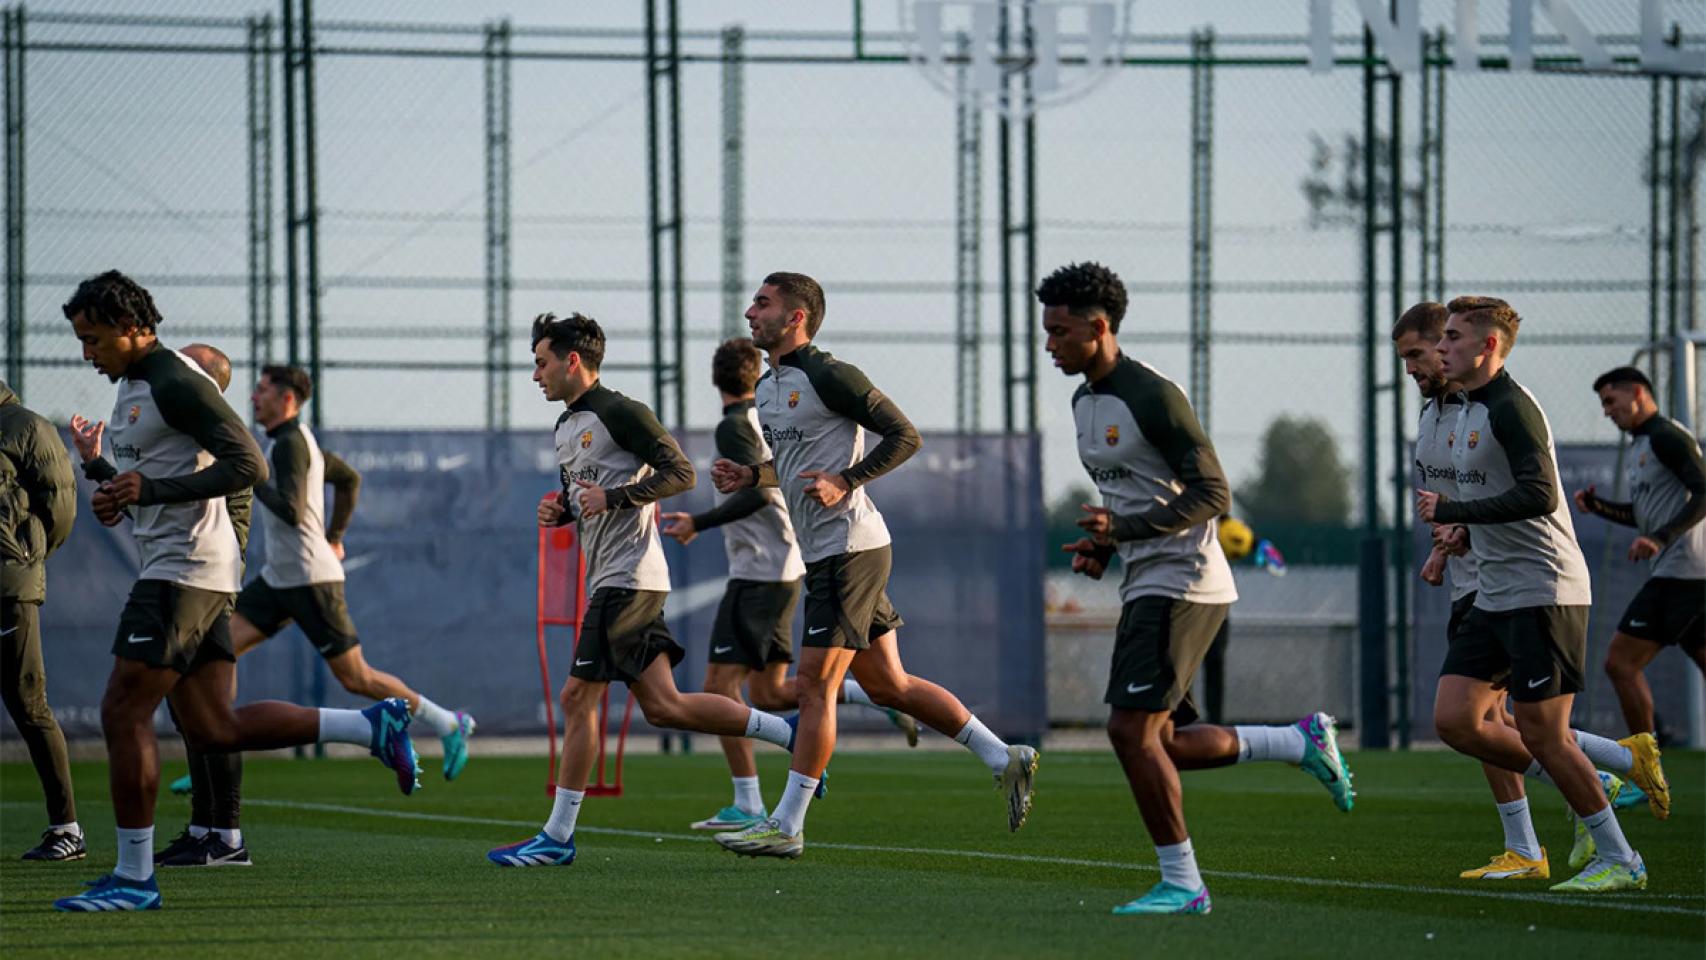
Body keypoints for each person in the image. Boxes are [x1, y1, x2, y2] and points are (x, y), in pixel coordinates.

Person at [53, 271, 419, 913]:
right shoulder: (138, 386)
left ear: (133, 327)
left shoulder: (173, 378)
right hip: (188, 569)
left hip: (184, 571)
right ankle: (368, 726)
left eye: (94, 338)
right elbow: (154, 486)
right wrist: (105, 475)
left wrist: (148, 491)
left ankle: (135, 878)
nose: (88, 352)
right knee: (213, 727)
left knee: (121, 712)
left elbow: (247, 463)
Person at [1040, 261, 1353, 916]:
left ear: (1099, 328)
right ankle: (1298, 741)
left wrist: (1124, 527)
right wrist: (1107, 544)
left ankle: (1184, 884)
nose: (1050, 345)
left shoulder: (1153, 394)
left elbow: (1214, 494)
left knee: (1130, 732)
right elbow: (1136, 496)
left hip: (1183, 581)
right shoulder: (1083, 401)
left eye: (1060, 332)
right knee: (1167, 742)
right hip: (1147, 578)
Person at [708, 272, 1038, 861]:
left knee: (814, 687)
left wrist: (847, 480)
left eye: (763, 302)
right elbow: (793, 466)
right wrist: (750, 476)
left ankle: (786, 825)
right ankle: (1002, 755)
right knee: (890, 685)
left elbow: (905, 436)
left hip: (850, 549)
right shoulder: (767, 387)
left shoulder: (830, 374)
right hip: (828, 555)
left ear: (797, 318)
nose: (750, 311)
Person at [487, 312, 803, 868]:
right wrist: (561, 509)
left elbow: (680, 473)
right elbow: (583, 494)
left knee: (577, 698)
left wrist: (613, 500)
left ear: (572, 361)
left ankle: (558, 838)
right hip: (618, 579)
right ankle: (788, 732)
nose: (535, 374)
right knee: (664, 706)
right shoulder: (566, 426)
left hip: (629, 580)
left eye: (541, 362)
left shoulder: (620, 411)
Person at [1418, 295, 1663, 894]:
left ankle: (1621, 859)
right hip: (1495, 591)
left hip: (1543, 587)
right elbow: (1491, 496)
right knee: (1456, 721)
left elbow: (1539, 495)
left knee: (1543, 734)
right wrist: (1458, 531)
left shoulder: (1511, 408)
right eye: (1441, 338)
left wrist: (1457, 510)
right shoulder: (1463, 409)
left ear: (1488, 346)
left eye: (1452, 337)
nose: (1441, 347)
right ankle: (1603, 769)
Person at [661, 338, 918, 832]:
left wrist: (701, 521)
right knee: (772, 688)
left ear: (715, 379)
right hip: (785, 564)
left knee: (724, 687)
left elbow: (758, 495)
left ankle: (753, 800)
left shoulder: (736, 425)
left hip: (762, 569)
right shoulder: (767, 413)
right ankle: (861, 703)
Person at [71, 342, 266, 867]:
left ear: (207, 383)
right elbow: (153, 509)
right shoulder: (181, 441)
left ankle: (224, 832)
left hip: (204, 587)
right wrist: (96, 469)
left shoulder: (215, 448)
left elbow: (197, 515)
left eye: (191, 364)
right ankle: (210, 830)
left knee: (208, 720)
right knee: (196, 720)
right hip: (187, 579)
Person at [1573, 366, 1705, 753]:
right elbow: (1646, 515)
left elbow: (1703, 492)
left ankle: (1644, 768)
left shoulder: (1666, 437)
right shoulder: (1641, 446)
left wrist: (1660, 538)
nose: (1607, 412)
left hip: (1683, 571)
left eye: (1611, 401)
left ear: (1638, 393)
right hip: (1683, 571)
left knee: (1620, 663)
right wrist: (1599, 508)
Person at [1, 380, 83, 861]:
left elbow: (61, 507)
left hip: (10, 586)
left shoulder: (27, 426)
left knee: (27, 703)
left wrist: (25, 555)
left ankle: (67, 828)